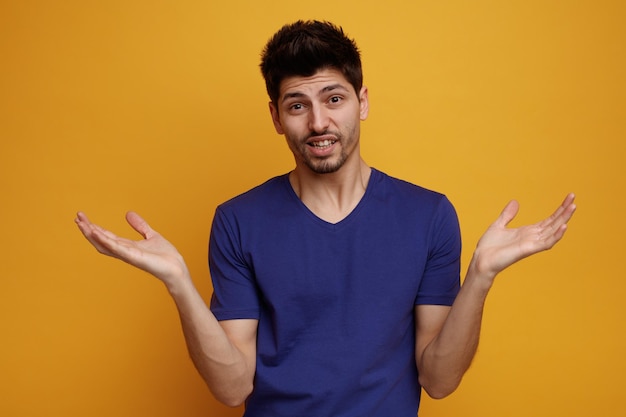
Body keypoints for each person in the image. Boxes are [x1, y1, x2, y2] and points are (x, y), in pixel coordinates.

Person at [75, 20, 576, 417]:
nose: (318, 122)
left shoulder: (429, 215)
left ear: (361, 103)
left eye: (334, 99)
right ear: (276, 117)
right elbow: (231, 389)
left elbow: (439, 381)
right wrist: (178, 283)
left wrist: (481, 279)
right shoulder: (237, 221)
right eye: (298, 105)